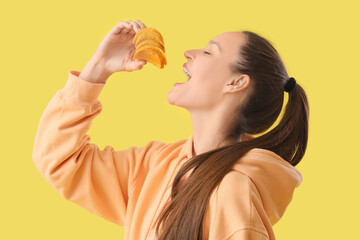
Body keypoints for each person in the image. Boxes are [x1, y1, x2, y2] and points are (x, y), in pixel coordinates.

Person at [32, 20, 309, 240]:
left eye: (210, 51)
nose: (190, 52)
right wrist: (98, 68)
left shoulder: (234, 192)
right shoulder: (156, 164)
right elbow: (59, 160)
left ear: (236, 83)